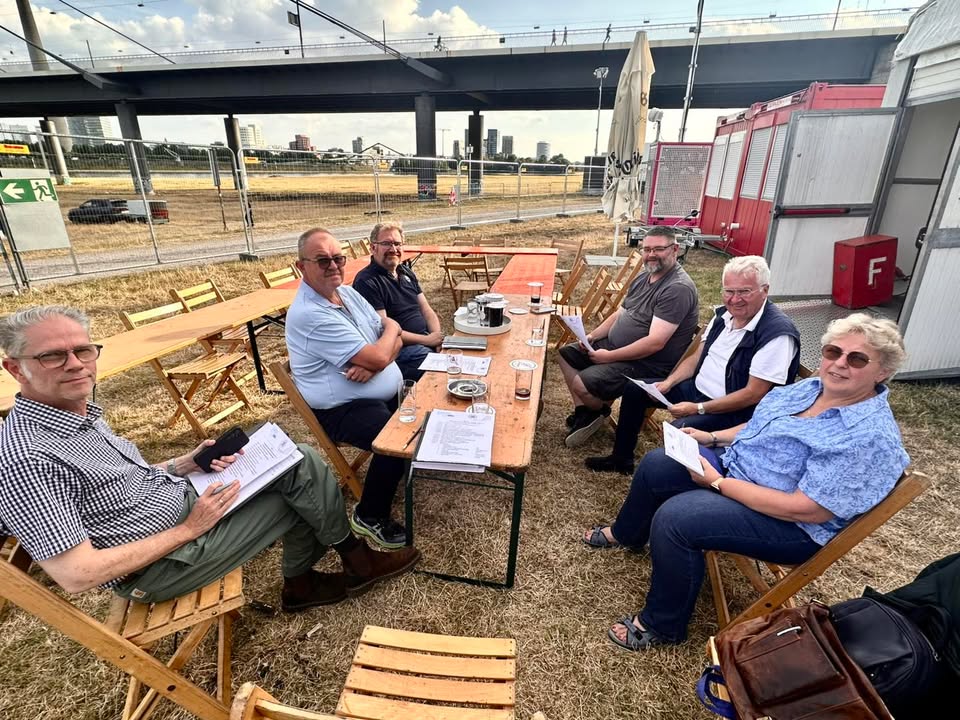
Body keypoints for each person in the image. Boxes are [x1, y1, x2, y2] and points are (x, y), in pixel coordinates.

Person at [0, 306, 420, 611]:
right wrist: (189, 528)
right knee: (300, 485)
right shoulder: (26, 454)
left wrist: (186, 463)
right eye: (52, 356)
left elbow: (126, 480)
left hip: (182, 501)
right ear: (15, 369)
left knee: (295, 456)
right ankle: (342, 566)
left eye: (83, 350)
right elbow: (78, 574)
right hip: (161, 564)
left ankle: (316, 576)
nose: (75, 365)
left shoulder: (76, 413)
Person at [581, 313, 910, 651]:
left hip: (790, 525)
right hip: (740, 472)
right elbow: (759, 427)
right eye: (832, 352)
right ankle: (627, 534)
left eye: (857, 359)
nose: (839, 363)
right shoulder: (812, 389)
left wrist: (717, 483)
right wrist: (710, 437)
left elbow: (806, 509)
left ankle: (663, 624)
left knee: (678, 517)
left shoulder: (869, 437)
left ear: (883, 371)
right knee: (659, 461)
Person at [585, 255, 801, 475]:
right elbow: (697, 357)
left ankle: (669, 480)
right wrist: (668, 383)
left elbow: (753, 395)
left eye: (744, 291)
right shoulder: (724, 316)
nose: (735, 299)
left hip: (735, 411)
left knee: (681, 429)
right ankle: (621, 459)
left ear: (765, 290)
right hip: (697, 390)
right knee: (636, 389)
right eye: (729, 291)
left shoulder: (777, 334)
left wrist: (698, 408)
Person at [286, 227, 409, 550]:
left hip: (377, 394)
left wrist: (383, 349)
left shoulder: (348, 292)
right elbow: (384, 348)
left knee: (422, 418)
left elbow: (388, 341)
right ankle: (370, 515)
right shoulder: (310, 314)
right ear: (301, 266)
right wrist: (382, 351)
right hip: (341, 409)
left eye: (338, 258)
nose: (333, 266)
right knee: (394, 439)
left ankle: (398, 469)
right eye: (322, 260)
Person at [558, 226, 699, 448]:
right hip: (617, 349)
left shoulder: (677, 288)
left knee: (582, 383)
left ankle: (598, 411)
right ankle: (587, 412)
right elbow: (620, 313)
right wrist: (593, 337)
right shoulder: (646, 276)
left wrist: (609, 357)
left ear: (675, 249)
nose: (651, 254)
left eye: (659, 249)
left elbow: (655, 342)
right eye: (647, 249)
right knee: (566, 354)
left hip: (647, 363)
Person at [353, 221, 443, 382]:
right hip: (400, 351)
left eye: (397, 244)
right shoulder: (367, 281)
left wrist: (436, 337)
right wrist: (428, 340)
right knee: (443, 371)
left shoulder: (405, 271)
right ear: (373, 248)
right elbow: (382, 330)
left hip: (425, 341)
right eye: (386, 244)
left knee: (460, 355)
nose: (393, 249)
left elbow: (426, 310)